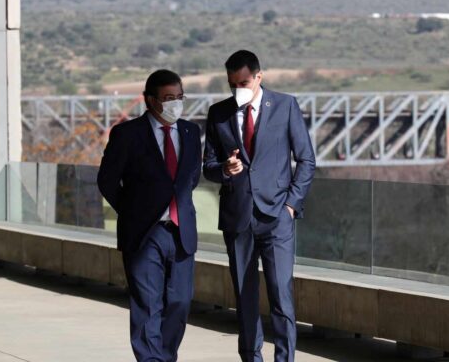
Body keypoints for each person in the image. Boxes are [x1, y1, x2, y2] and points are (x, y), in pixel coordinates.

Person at [203, 50, 316, 362]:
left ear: (258, 77)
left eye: (243, 82)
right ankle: (252, 358)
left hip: (277, 217)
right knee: (245, 296)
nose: (238, 88)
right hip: (238, 218)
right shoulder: (219, 113)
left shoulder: (285, 105)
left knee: (281, 294)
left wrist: (291, 206)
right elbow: (208, 166)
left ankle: (285, 358)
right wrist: (225, 169)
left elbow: (306, 159)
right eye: (232, 84)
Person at [97, 69, 202, 362]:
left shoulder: (191, 132)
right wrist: (133, 212)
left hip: (181, 231)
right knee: (147, 304)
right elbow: (107, 180)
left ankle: (165, 357)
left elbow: (191, 178)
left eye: (179, 98)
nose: (175, 104)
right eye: (168, 98)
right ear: (150, 100)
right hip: (144, 234)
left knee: (179, 302)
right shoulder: (127, 134)